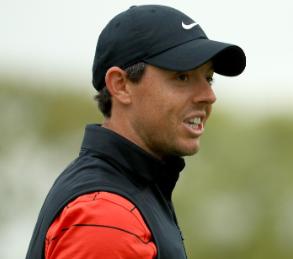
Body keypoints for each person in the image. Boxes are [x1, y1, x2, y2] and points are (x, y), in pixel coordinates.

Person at [26, 5, 245, 259]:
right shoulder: (107, 218)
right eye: (182, 77)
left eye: (208, 78)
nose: (209, 96)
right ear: (121, 85)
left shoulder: (133, 190)